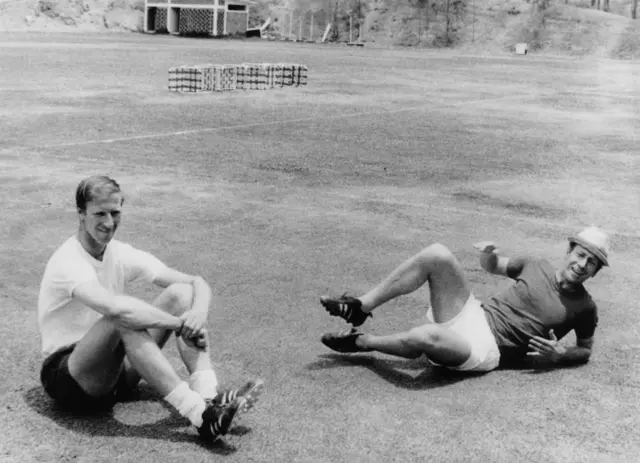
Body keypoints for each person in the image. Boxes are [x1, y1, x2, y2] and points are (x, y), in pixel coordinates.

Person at [38, 175, 263, 443]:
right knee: (121, 318)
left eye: (115, 213)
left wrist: (197, 313)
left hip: (114, 373)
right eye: (99, 213)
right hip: (70, 378)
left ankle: (208, 396)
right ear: (81, 214)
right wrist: (180, 324)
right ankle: (201, 416)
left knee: (181, 294)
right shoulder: (68, 260)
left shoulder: (118, 252)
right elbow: (116, 310)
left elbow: (195, 282)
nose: (109, 223)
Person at [319, 227, 610, 372]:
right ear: (569, 251)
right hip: (474, 314)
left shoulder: (585, 307)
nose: (583, 265)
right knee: (437, 254)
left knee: (427, 337)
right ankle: (361, 307)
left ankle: (362, 342)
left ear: (596, 271)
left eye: (592, 263)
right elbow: (493, 266)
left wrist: (560, 356)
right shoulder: (537, 264)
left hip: (486, 350)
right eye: (581, 255)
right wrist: (488, 255)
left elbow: (585, 350)